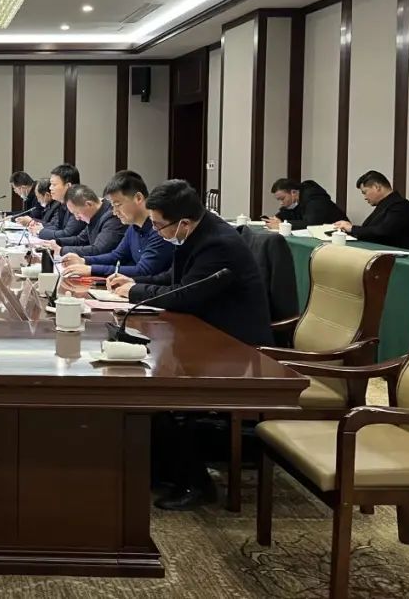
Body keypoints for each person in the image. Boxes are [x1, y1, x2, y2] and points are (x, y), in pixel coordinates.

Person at [106, 180, 274, 511]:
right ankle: (164, 469)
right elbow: (176, 279)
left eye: (158, 225)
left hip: (236, 345)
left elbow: (185, 295)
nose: (155, 230)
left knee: (163, 390)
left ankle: (195, 483)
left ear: (183, 222)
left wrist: (135, 292)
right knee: (149, 375)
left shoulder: (218, 244)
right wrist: (135, 283)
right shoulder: (198, 232)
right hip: (210, 330)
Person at [62, 172, 174, 278]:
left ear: (138, 198)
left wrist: (91, 269)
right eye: (112, 205)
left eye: (118, 205)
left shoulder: (159, 229)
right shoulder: (133, 227)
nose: (115, 212)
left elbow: (144, 270)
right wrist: (84, 261)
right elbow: (117, 256)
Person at [333, 170, 409, 249]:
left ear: (377, 187)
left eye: (365, 192)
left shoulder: (401, 206)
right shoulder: (386, 204)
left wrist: (352, 228)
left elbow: (382, 232)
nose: (365, 197)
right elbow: (370, 230)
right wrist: (348, 229)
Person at [51, 184, 125, 256]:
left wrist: (62, 250)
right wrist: (57, 242)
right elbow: (80, 239)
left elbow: (98, 250)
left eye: (77, 213)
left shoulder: (112, 217)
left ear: (89, 204)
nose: (77, 218)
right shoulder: (94, 215)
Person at [31, 164, 87, 242]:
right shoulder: (62, 203)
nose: (50, 188)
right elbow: (57, 226)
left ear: (68, 186)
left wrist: (40, 231)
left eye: (54, 185)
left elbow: (68, 234)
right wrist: (40, 227)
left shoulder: (78, 204)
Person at [264, 178, 346, 229]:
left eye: (282, 199)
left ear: (293, 192)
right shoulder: (294, 201)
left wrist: (282, 225)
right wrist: (275, 219)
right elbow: (286, 214)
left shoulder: (314, 197)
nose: (281, 203)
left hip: (340, 233)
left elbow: (312, 223)